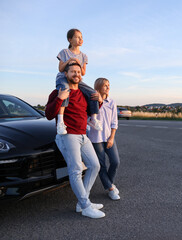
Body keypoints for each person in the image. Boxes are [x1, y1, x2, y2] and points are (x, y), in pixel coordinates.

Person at [46, 62, 105, 219]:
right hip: (67, 135)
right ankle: (85, 206)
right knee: (76, 169)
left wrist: (99, 100)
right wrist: (59, 98)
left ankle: (82, 201)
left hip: (82, 134)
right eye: (73, 71)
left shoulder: (84, 94)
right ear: (66, 74)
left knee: (94, 165)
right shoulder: (58, 92)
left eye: (78, 72)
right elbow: (48, 114)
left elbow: (88, 111)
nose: (76, 74)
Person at [55, 28, 102, 135]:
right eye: (77, 37)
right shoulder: (64, 52)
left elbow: (83, 72)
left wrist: (78, 63)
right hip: (63, 77)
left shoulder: (84, 56)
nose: (80, 39)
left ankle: (93, 118)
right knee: (65, 91)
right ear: (70, 39)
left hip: (77, 79)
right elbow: (61, 69)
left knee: (93, 93)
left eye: (81, 37)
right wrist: (69, 60)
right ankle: (60, 122)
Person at [88, 78, 121, 200]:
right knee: (101, 165)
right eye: (105, 85)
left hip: (108, 137)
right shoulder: (92, 101)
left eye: (109, 85)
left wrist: (112, 138)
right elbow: (88, 119)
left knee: (115, 161)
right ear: (98, 87)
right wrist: (98, 102)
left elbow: (114, 122)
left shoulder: (112, 102)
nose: (108, 87)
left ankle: (109, 185)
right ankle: (111, 189)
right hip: (96, 138)